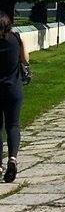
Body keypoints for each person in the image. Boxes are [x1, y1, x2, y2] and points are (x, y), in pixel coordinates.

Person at [0, 12, 28, 183]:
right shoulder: (16, 38)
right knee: (13, 125)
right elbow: (25, 60)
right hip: (13, 89)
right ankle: (12, 159)